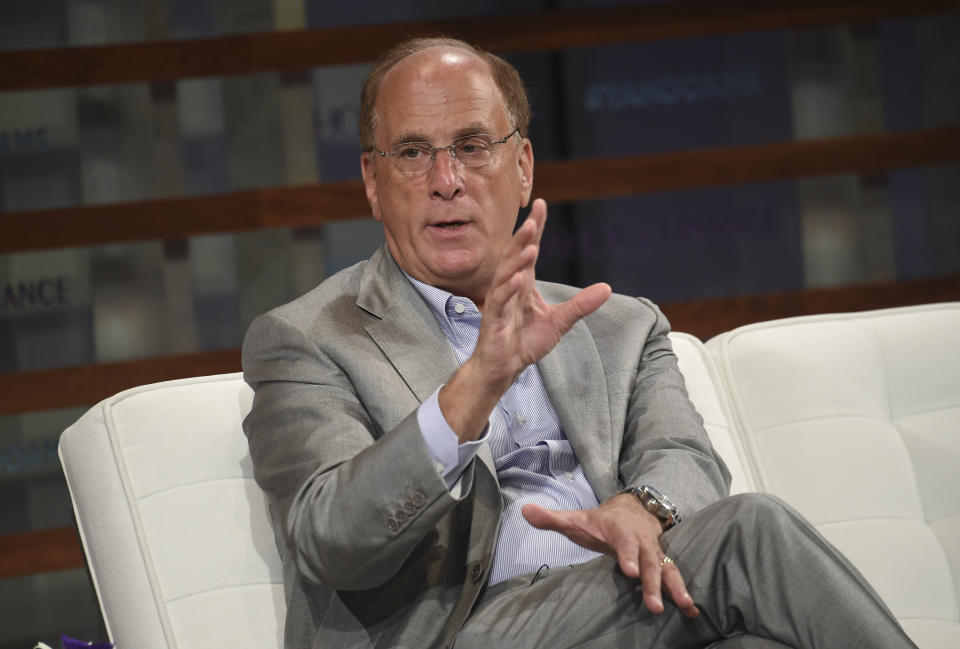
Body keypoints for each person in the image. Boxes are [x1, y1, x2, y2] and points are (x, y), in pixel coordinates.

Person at [242, 37, 918, 649]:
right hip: (462, 631)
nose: (445, 180)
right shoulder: (309, 338)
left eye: (473, 146)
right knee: (751, 532)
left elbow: (685, 458)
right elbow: (330, 536)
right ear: (372, 181)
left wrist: (641, 507)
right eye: (413, 152)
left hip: (619, 603)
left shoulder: (615, 323)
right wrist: (475, 385)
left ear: (523, 166)